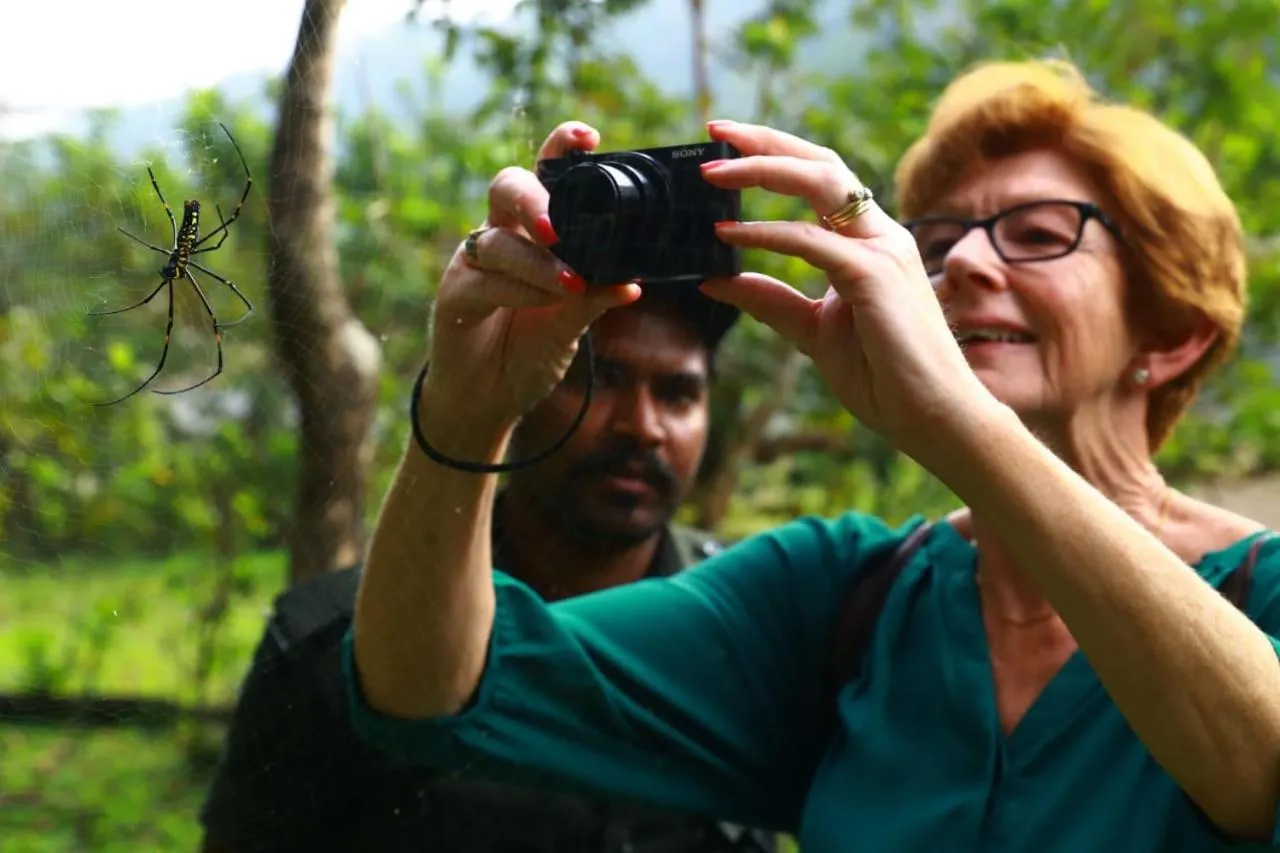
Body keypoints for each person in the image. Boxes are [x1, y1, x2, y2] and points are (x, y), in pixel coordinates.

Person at [343, 57, 1280, 852]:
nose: (967, 265)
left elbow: (1261, 771)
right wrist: (466, 417)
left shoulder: (1258, 587)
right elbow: (434, 686)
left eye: (1039, 235)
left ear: (1174, 332)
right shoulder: (843, 597)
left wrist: (953, 419)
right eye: (940, 240)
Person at [197, 283, 779, 852]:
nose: (643, 426)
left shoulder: (758, 627)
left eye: (678, 393)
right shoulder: (334, 639)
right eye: (597, 380)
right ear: (521, 389)